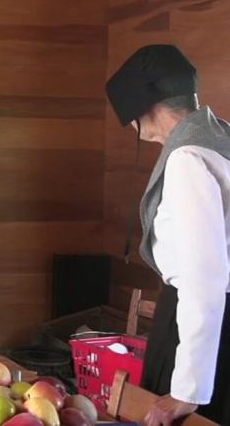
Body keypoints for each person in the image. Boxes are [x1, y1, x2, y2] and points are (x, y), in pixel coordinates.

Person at [105, 44, 230, 425]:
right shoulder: (220, 141)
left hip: (200, 328)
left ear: (145, 107)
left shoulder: (187, 160)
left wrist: (186, 390)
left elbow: (203, 279)